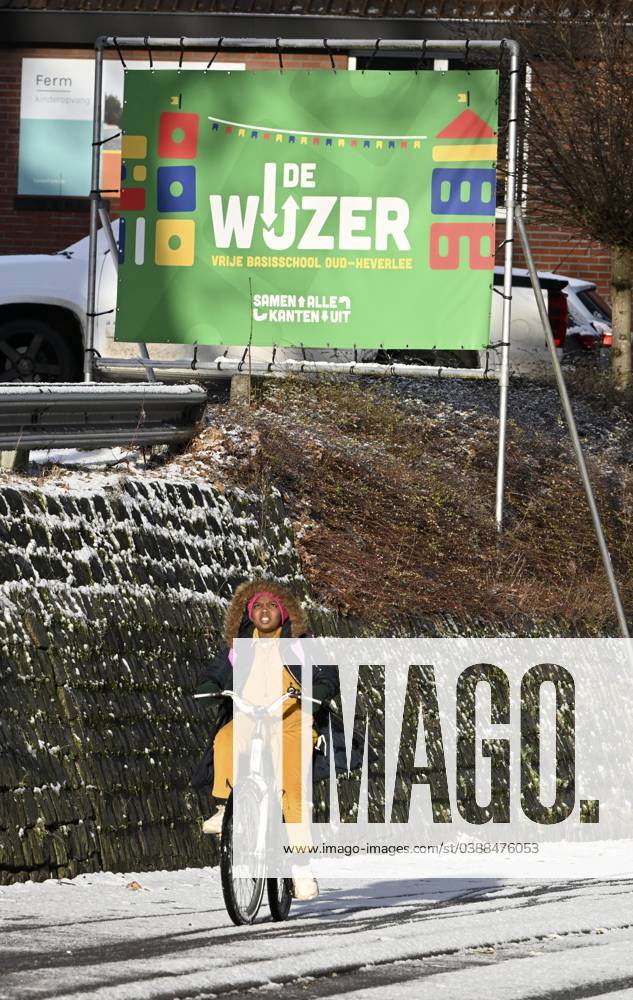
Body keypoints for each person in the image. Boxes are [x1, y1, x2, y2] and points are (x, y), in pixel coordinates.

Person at [192, 578, 348, 902]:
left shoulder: (299, 642)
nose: (265, 612)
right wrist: (209, 685)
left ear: (284, 612)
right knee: (225, 740)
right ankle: (227, 807)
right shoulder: (240, 644)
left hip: (291, 717)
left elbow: (327, 673)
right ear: (249, 613)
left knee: (290, 786)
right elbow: (217, 671)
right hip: (250, 714)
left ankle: (301, 866)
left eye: (272, 606)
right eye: (258, 606)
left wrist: (318, 692)